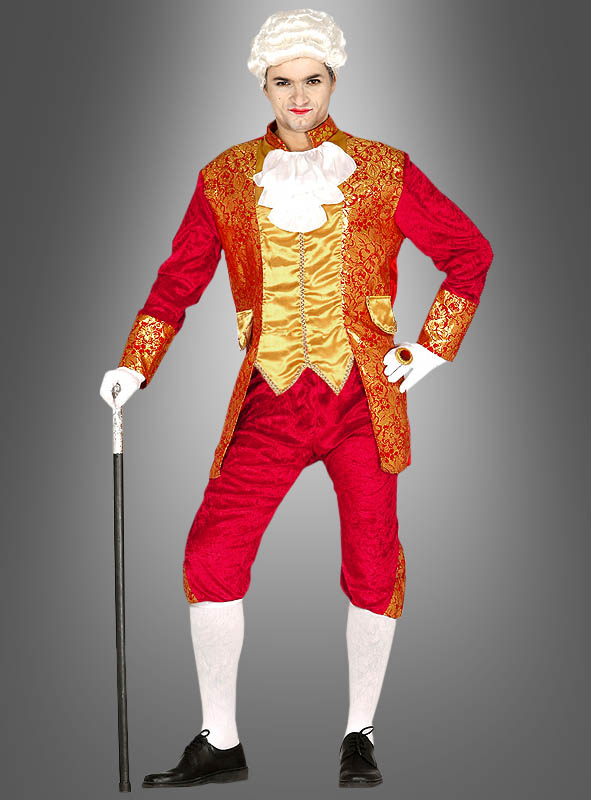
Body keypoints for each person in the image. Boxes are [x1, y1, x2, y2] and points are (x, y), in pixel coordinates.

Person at [100, 8, 493, 790]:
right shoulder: (223, 178)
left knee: (373, 562)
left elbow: (467, 252)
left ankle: (358, 734)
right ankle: (219, 741)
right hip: (270, 401)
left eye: (312, 79)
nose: (299, 95)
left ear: (333, 80)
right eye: (283, 81)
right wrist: (134, 365)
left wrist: (430, 348)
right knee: (210, 554)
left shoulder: (383, 169)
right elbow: (178, 282)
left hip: (361, 400)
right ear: (264, 85)